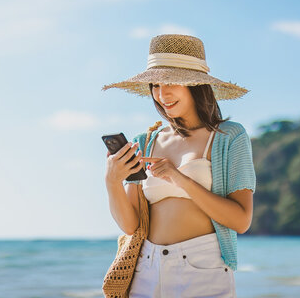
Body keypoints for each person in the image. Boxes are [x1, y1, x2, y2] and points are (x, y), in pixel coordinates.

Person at [102, 34, 257, 298]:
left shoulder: (229, 137)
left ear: (195, 85)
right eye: (156, 85)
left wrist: (180, 179)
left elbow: (241, 221)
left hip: (202, 267)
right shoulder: (146, 141)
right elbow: (131, 225)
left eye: (172, 82)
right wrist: (112, 181)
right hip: (146, 269)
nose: (162, 94)